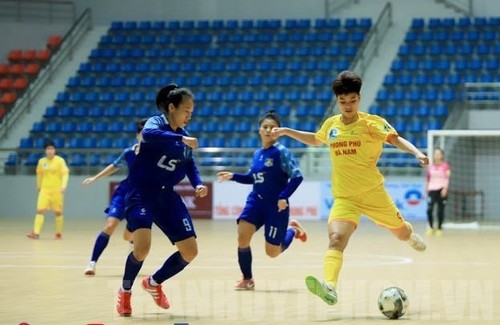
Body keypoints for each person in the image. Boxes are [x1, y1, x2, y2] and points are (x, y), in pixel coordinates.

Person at [271, 70, 428, 306]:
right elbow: (315, 139)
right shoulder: (331, 125)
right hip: (345, 198)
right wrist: (286, 131)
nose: (347, 105)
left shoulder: (371, 123)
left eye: (352, 100)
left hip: (373, 194)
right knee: (336, 239)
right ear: (337, 100)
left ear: (359, 99)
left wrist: (417, 152)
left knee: (402, 233)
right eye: (343, 101)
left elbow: (396, 139)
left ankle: (408, 233)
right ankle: (330, 287)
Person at [116, 84, 208, 317]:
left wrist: (197, 182)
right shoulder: (156, 123)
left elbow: (189, 164)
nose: (189, 115)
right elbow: (148, 135)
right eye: (186, 110)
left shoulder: (184, 137)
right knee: (142, 248)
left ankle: (153, 283)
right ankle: (125, 291)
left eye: (191, 112)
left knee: (190, 251)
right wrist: (180, 138)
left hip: (166, 196)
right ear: (171, 107)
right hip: (141, 193)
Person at [217, 110, 307, 291]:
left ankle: (293, 231)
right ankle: (247, 279)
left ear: (278, 131)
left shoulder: (282, 152)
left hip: (276, 206)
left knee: (272, 252)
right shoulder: (257, 154)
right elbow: (252, 178)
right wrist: (233, 176)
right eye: (265, 127)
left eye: (273, 128)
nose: (268, 130)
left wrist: (283, 197)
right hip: (256, 202)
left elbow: (297, 177)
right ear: (259, 130)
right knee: (243, 235)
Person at [82, 118, 147, 276]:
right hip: (124, 192)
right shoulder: (129, 152)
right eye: (143, 133)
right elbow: (114, 166)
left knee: (128, 235)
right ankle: (92, 263)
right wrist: (95, 178)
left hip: (141, 197)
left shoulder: (156, 154)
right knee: (110, 226)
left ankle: (131, 242)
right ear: (137, 135)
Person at [27, 140, 69, 239]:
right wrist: (38, 187)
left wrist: (63, 186)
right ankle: (36, 233)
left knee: (58, 212)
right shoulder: (42, 162)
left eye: (52, 148)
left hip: (57, 190)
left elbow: (65, 174)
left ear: (55, 150)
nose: (50, 151)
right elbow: (39, 175)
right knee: (40, 210)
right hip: (44, 190)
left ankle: (58, 233)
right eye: (48, 149)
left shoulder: (60, 161)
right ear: (45, 150)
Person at [426, 148, 450, 237]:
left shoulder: (445, 166)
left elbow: (447, 178)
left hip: (441, 189)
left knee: (440, 210)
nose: (437, 155)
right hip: (432, 189)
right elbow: (428, 179)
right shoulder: (430, 166)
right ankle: (431, 227)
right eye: (435, 153)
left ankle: (439, 228)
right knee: (429, 210)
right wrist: (426, 190)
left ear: (442, 155)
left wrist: (445, 188)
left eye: (439, 153)